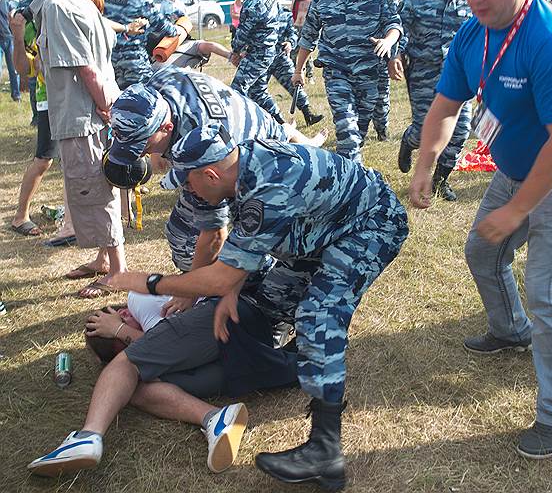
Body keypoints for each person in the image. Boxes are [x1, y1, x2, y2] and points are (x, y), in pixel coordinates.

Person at [108, 125, 409, 490]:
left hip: (368, 225)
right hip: (316, 230)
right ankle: (299, 363)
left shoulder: (268, 187)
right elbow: (241, 247)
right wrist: (232, 284)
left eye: (188, 183)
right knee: (268, 302)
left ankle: (325, 450)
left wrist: (151, 283)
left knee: (318, 315)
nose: (188, 192)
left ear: (210, 174)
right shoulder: (241, 168)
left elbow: (220, 274)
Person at [409, 0, 552, 460]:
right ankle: (510, 330)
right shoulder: (474, 32)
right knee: (481, 251)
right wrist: (426, 165)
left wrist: (518, 209)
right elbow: (446, 105)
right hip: (514, 166)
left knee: (549, 291)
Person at [27, 260, 306, 477]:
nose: (121, 316)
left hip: (229, 315)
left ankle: (88, 436)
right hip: (241, 351)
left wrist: (121, 331)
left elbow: (156, 342)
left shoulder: (138, 301)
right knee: (133, 388)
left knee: (124, 368)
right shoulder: (150, 347)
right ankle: (215, 419)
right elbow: (158, 348)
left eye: (115, 312)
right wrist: (122, 333)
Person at [103, 65, 326, 315]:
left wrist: (189, 293)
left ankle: (252, 283)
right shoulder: (151, 92)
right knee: (180, 234)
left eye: (141, 144)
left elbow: (214, 234)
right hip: (244, 139)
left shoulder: (199, 143)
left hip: (258, 163)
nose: (140, 153)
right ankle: (210, 280)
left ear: (165, 128)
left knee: (216, 241)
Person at [21, 0, 128, 299]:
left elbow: (86, 68)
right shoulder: (75, 0)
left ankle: (117, 270)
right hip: (89, 112)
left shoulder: (56, 6)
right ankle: (103, 260)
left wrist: (104, 107)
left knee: (95, 191)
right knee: (97, 186)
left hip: (84, 116)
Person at [294, 0, 403, 163]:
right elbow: (308, 36)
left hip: (368, 73)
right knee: (346, 130)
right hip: (337, 72)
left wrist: (388, 41)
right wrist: (298, 71)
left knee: (358, 132)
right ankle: (351, 184)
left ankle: (352, 173)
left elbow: (394, 24)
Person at [392, 0, 472, 201]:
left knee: (460, 130)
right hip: (423, 71)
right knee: (425, 126)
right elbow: (400, 31)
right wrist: (395, 55)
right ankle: (409, 141)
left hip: (458, 72)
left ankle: (440, 180)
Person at [9, 0, 76, 244]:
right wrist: (18, 37)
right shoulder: (29, 19)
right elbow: (23, 69)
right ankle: (19, 216)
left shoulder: (65, 8)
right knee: (44, 159)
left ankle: (72, 217)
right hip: (49, 98)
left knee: (67, 159)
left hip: (68, 96)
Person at [102, 0, 182, 90]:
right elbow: (159, 24)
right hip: (133, 59)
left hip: (109, 58)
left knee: (114, 102)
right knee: (142, 101)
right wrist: (177, 30)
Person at [265, 0, 323, 127]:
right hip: (261, 59)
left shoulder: (284, 14)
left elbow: (292, 33)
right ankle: (279, 122)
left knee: (295, 83)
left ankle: (308, 114)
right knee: (257, 91)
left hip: (279, 57)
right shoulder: (257, 13)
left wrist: (290, 42)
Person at [229, 0, 284, 124]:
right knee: (258, 92)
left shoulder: (252, 5)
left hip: (258, 54)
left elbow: (243, 34)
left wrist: (235, 51)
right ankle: (281, 123)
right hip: (268, 48)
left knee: (236, 90)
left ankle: (239, 124)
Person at [358, 0, 390, 142]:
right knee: (363, 98)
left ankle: (381, 129)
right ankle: (359, 131)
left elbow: (392, 23)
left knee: (382, 97)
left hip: (381, 58)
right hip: (361, 59)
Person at [290, 0, 314, 80]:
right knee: (293, 52)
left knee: (306, 51)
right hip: (296, 26)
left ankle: (310, 75)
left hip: (306, 27)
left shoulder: (311, 0)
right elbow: (291, 11)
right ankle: (292, 72)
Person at [0, 0, 21, 101]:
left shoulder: (6, 2)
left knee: (13, 69)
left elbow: (14, 14)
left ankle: (16, 95)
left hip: (9, 39)